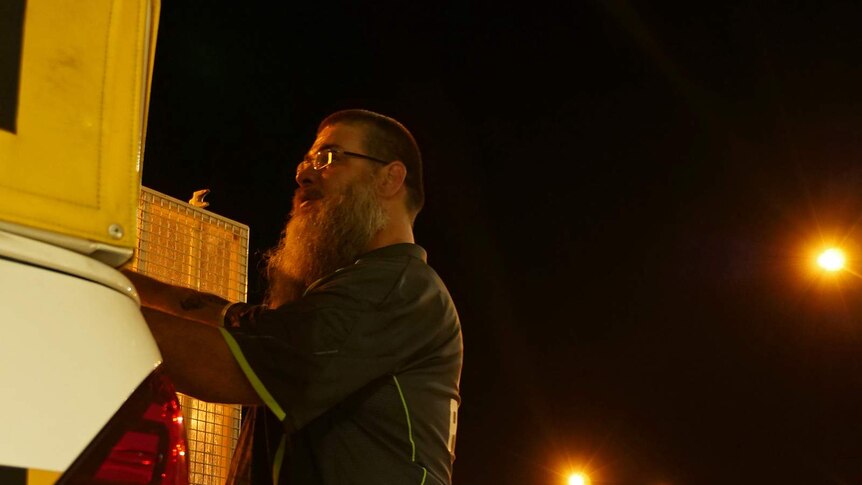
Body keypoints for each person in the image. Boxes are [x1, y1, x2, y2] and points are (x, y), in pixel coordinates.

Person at [123, 109, 463, 485]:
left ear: (389, 178)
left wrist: (87, 304)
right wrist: (120, 283)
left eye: (329, 158)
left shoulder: (396, 287)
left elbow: (224, 366)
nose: (303, 174)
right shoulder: (355, 296)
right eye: (307, 161)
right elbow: (222, 318)